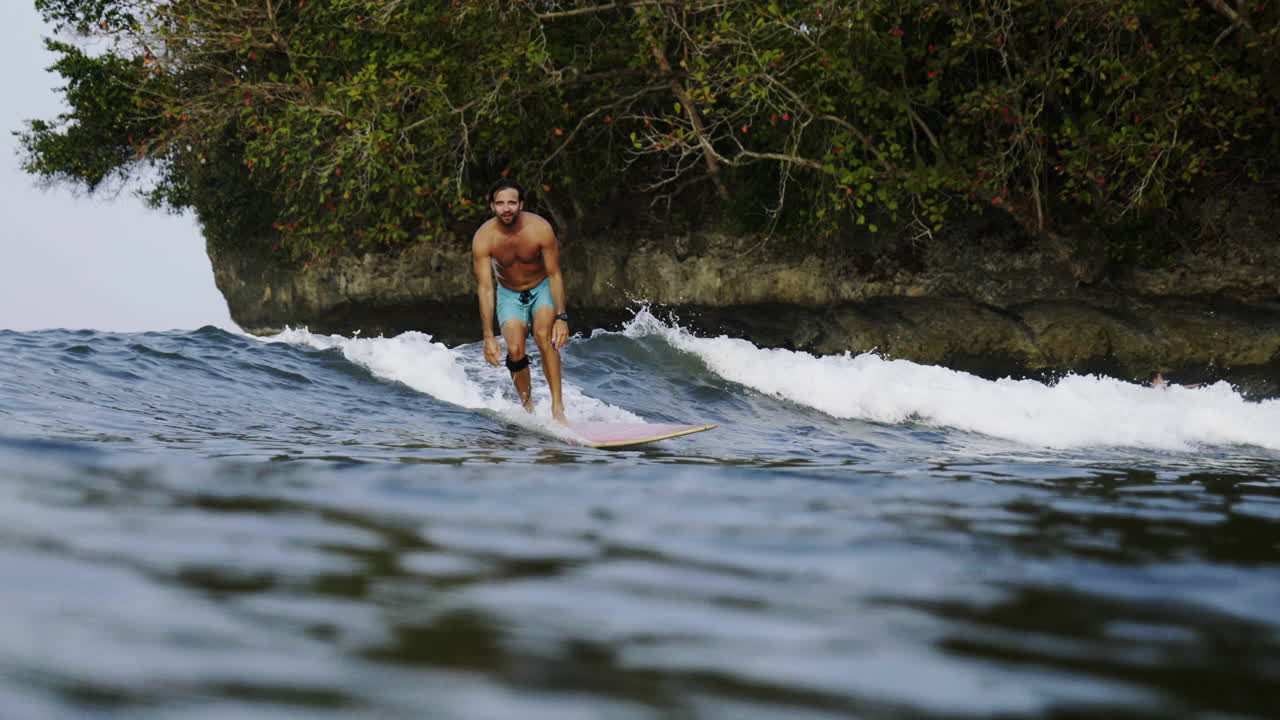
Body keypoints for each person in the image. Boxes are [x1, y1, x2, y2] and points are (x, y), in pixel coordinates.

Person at [472, 179, 570, 422]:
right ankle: (529, 411)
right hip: (509, 294)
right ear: (492, 206)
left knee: (543, 335)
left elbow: (555, 274)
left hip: (541, 288)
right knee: (515, 350)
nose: (506, 208)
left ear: (521, 204)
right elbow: (485, 288)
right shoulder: (484, 238)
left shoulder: (540, 229)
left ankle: (558, 409)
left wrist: (562, 317)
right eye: (500, 203)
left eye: (512, 203)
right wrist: (488, 336)